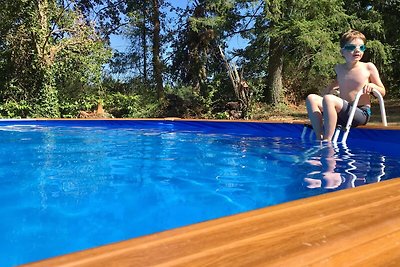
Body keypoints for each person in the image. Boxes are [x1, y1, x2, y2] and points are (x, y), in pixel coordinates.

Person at [306, 29, 385, 141]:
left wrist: (373, 86)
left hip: (360, 113)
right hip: (343, 112)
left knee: (329, 99)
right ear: (342, 51)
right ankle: (319, 136)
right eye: (351, 47)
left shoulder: (368, 67)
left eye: (361, 47)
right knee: (312, 98)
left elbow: (382, 91)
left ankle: (327, 140)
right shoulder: (339, 68)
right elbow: (334, 85)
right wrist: (329, 90)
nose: (357, 50)